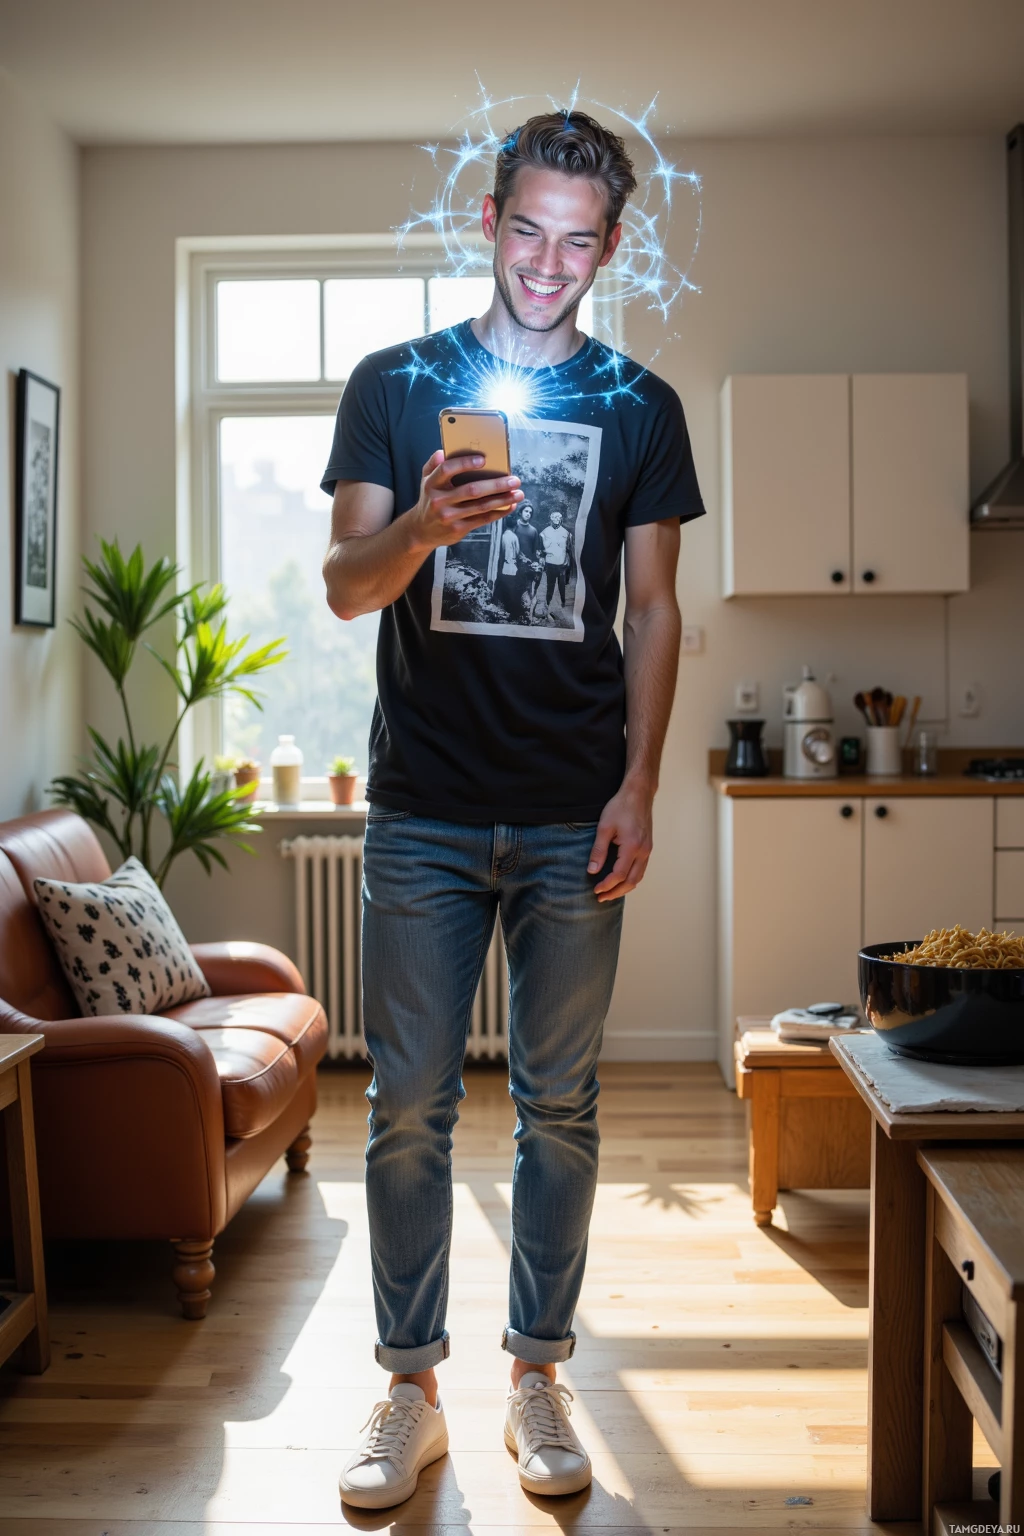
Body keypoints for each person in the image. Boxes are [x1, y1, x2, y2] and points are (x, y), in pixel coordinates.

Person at [321, 109, 705, 1511]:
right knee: (406, 1112)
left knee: (562, 1112)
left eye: (580, 239)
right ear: (489, 222)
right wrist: (423, 523)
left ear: (612, 245)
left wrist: (640, 783)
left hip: (569, 814)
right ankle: (409, 1391)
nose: (549, 262)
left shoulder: (640, 407)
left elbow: (656, 613)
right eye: (527, 230)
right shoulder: (393, 384)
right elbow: (345, 585)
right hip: (422, 806)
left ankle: (538, 1379)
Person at [537, 508, 573, 616]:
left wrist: (568, 563)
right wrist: (541, 559)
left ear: (561, 519)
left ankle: (563, 602)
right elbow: (540, 549)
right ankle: (548, 602)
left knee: (562, 584)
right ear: (550, 519)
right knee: (550, 585)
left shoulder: (567, 533)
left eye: (559, 517)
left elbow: (569, 550)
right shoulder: (544, 532)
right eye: (554, 517)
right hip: (550, 563)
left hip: (562, 564)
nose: (557, 519)